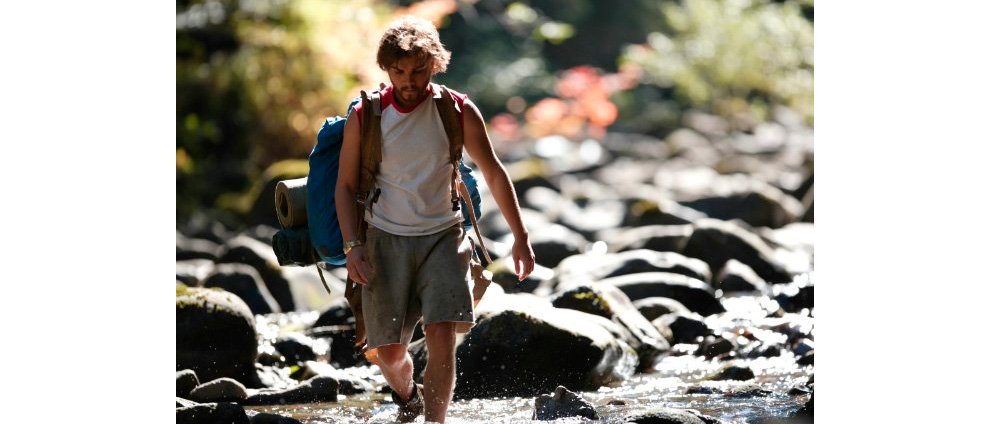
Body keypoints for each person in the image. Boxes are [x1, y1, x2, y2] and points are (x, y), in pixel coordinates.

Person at [334, 15, 536, 424]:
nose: (409, 80)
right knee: (390, 353)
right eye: (399, 71)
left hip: (444, 236)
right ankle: (408, 395)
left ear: (435, 65)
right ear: (386, 69)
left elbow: (494, 172)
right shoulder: (366, 115)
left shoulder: (457, 110)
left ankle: (435, 421)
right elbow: (344, 186)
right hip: (384, 239)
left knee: (442, 335)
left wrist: (520, 236)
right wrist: (353, 246)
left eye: (419, 70)